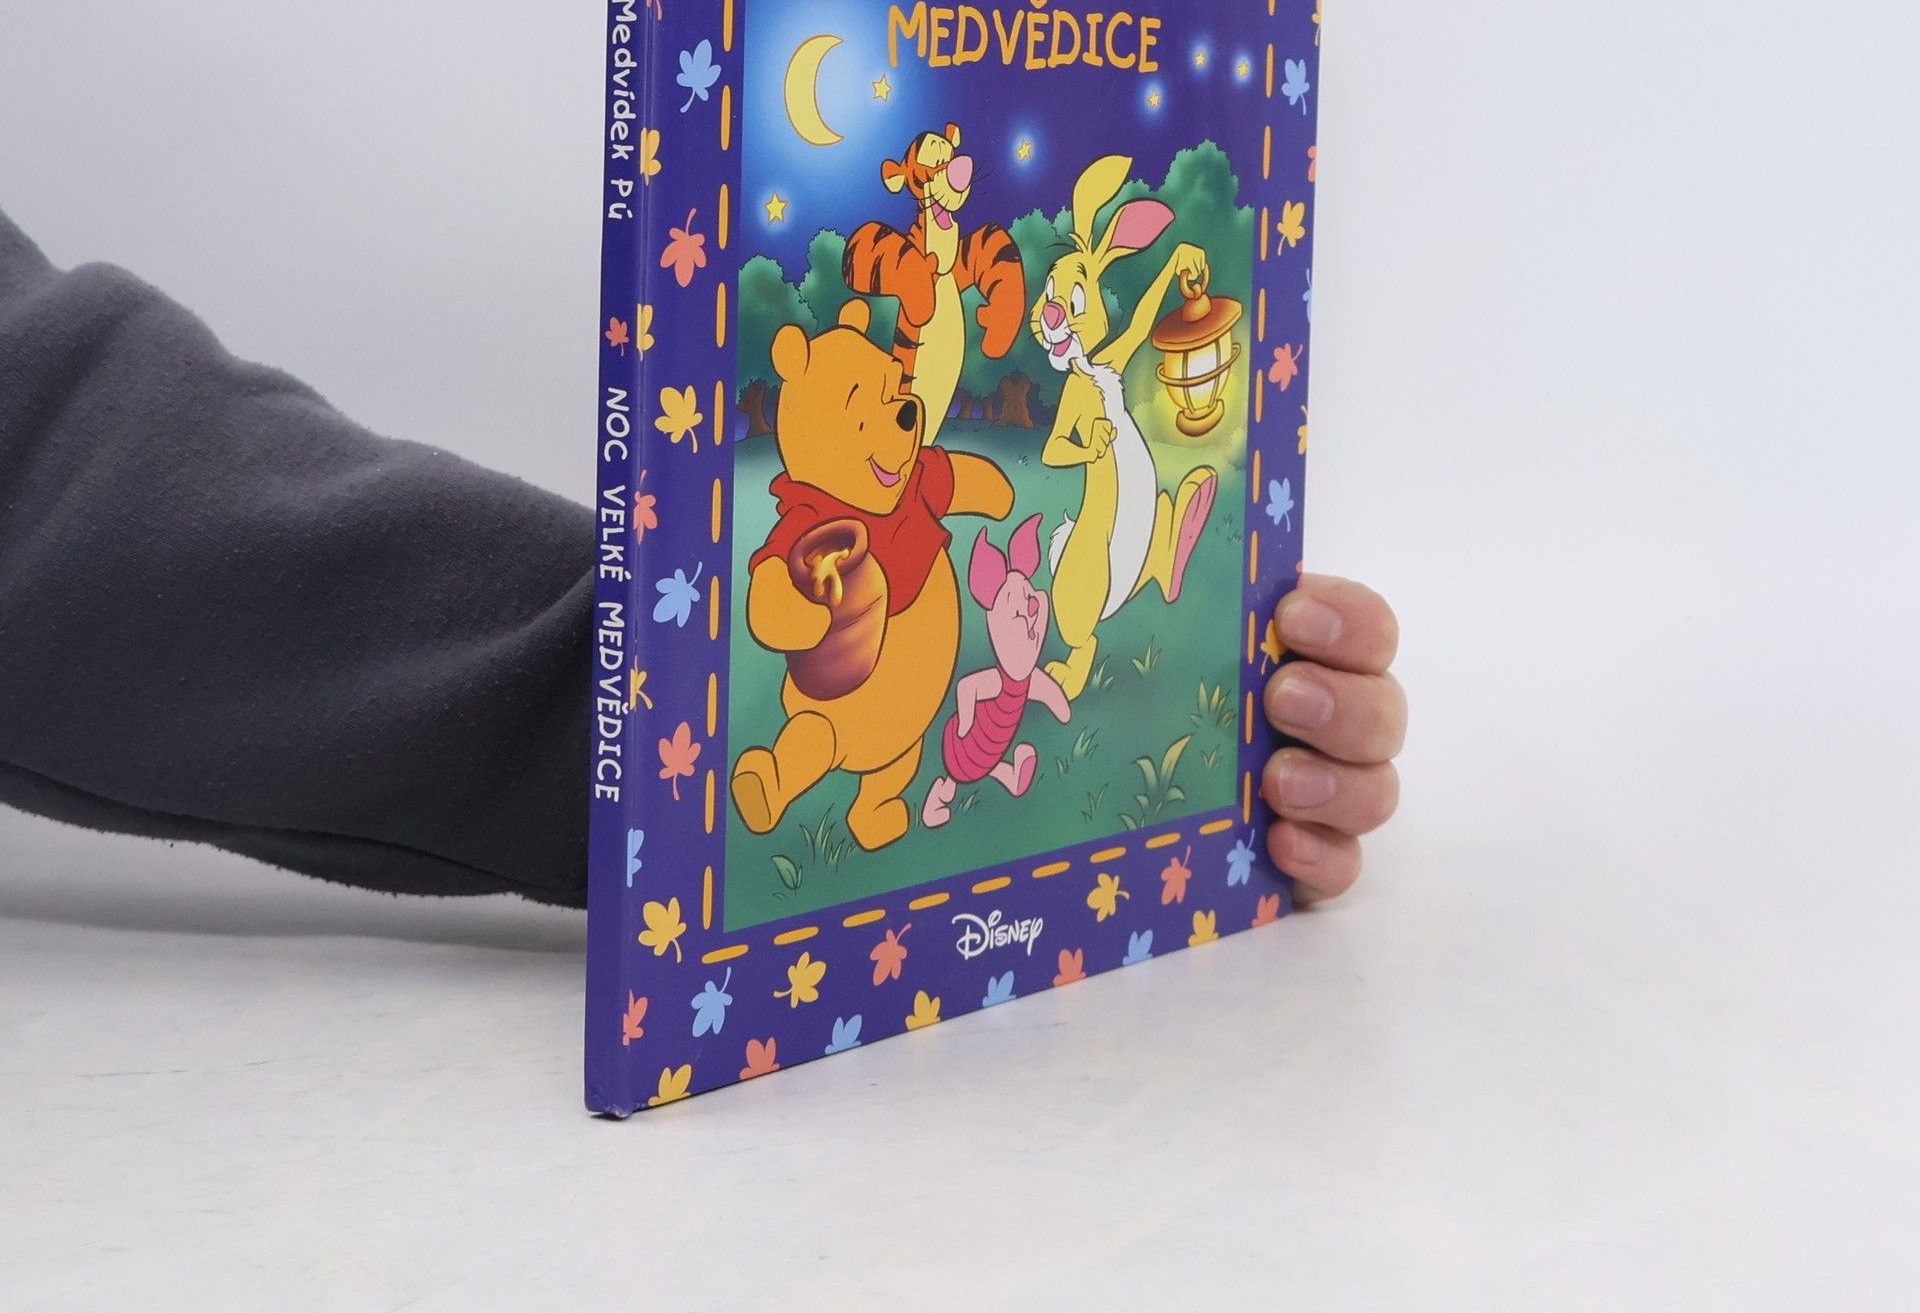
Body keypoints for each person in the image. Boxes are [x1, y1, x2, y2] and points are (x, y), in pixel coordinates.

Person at [0, 206, 1404, 908]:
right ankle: (812, 771)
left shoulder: (920, 472)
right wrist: (664, 722)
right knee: (825, 736)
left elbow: (70, 459)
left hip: (916, 723)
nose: (898, 424)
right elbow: (70, 474)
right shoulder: (809, 517)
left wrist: (1179, 754)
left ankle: (874, 783)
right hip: (832, 713)